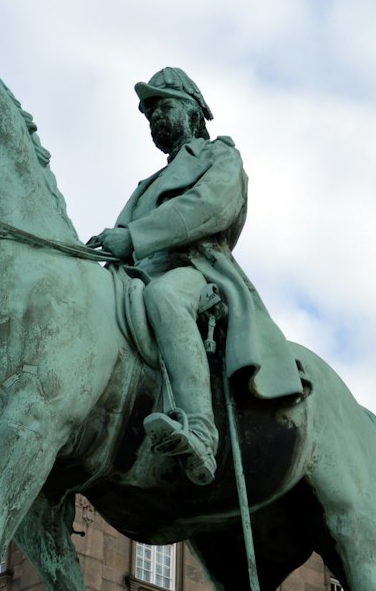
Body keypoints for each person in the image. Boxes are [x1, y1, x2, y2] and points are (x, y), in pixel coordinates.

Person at [91, 68, 303, 485]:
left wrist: (134, 237)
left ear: (194, 110)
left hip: (195, 271)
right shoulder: (146, 184)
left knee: (165, 298)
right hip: (134, 275)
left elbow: (211, 207)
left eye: (163, 106)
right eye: (149, 113)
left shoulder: (220, 156)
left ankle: (201, 433)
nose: (155, 118)